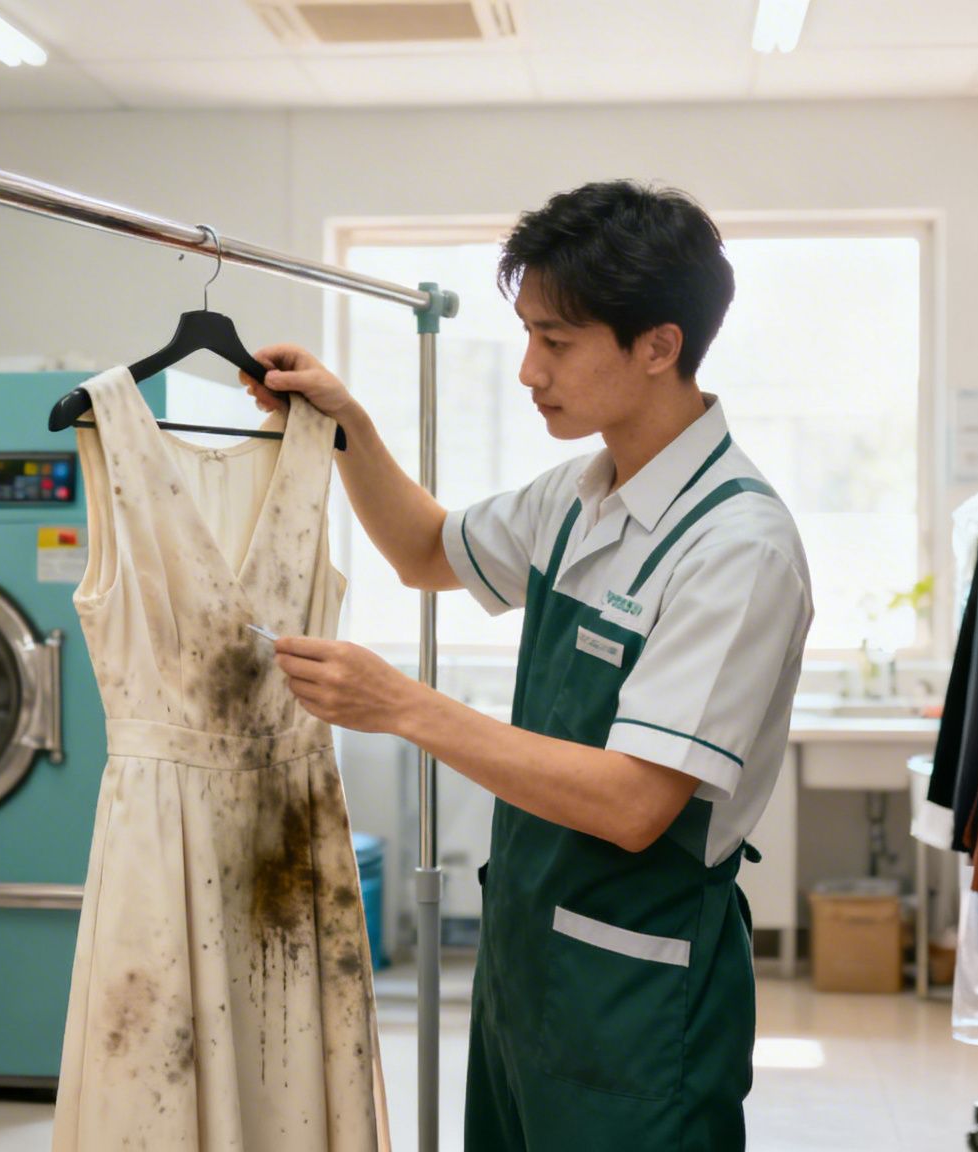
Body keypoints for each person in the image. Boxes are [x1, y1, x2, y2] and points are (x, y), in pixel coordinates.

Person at [244, 180, 813, 1151]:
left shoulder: (735, 547)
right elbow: (425, 549)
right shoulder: (581, 495)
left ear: (657, 345)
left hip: (636, 997)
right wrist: (346, 425)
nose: (525, 370)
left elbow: (636, 802)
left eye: (554, 341)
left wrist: (405, 709)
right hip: (526, 971)